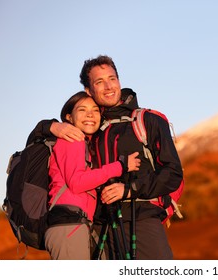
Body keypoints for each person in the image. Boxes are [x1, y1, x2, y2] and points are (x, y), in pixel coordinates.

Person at [45, 55, 183, 259]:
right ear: (89, 90)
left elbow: (172, 173)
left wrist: (128, 190)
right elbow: (41, 140)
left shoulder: (148, 121)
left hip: (142, 219)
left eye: (112, 78)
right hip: (99, 226)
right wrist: (50, 126)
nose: (108, 86)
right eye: (99, 82)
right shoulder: (87, 127)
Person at [44, 91, 140, 260]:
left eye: (95, 110)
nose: (90, 114)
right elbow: (77, 182)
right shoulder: (72, 138)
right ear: (69, 118)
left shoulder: (84, 144)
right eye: (82, 110)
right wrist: (120, 166)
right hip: (69, 224)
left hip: (75, 224)